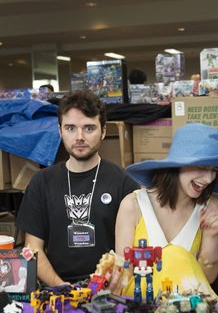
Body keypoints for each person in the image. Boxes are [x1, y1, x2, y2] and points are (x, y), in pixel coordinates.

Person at [114, 123, 218, 300]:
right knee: (174, 255)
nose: (208, 179)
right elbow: (124, 275)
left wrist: (211, 235)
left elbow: (205, 279)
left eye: (214, 170)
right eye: (202, 167)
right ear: (178, 165)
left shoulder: (210, 208)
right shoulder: (133, 205)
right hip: (140, 309)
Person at [16, 90, 138, 286]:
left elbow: (130, 253)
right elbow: (33, 248)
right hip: (57, 291)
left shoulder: (124, 183)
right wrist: (61, 287)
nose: (79, 137)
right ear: (60, 131)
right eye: (71, 128)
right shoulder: (41, 182)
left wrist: (106, 288)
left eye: (89, 128)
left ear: (104, 131)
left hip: (110, 291)